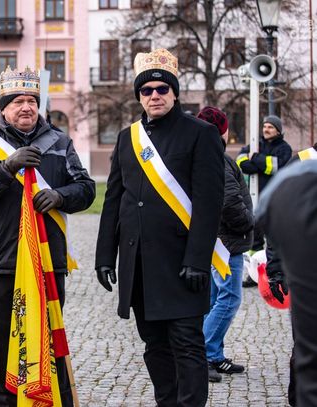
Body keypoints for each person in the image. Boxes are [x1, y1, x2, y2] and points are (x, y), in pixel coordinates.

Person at [95, 48, 225, 407]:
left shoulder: (201, 134)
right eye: (147, 90)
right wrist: (105, 255)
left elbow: (209, 203)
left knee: (187, 344)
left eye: (162, 89)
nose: (155, 95)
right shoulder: (128, 137)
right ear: (139, 96)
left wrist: (198, 260)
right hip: (138, 263)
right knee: (154, 344)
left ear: (174, 93)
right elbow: (114, 199)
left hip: (181, 263)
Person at [0, 66, 95, 407]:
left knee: (50, 339)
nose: (26, 107)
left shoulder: (59, 142)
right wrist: (6, 169)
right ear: (4, 108)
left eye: (32, 101)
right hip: (3, 260)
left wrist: (61, 196)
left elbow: (86, 188)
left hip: (49, 260)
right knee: (4, 344)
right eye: (17, 101)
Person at [197, 107, 254, 383]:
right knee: (229, 298)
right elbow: (229, 201)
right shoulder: (217, 159)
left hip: (215, 240)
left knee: (212, 299)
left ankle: (213, 355)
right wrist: (248, 223)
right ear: (223, 131)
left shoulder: (203, 154)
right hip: (228, 241)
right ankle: (204, 354)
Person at [257, 159, 317, 407]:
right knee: (307, 347)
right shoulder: (301, 164)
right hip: (307, 273)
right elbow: (269, 222)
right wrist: (276, 270)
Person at [236, 115, 292, 287]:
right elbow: (241, 162)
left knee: (274, 238)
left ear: (278, 130)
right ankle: (254, 275)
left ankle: (277, 273)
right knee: (255, 239)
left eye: (270, 127)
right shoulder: (255, 144)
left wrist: (255, 158)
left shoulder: (284, 148)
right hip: (255, 198)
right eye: (265, 126)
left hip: (275, 198)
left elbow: (275, 167)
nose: (266, 129)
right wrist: (260, 162)